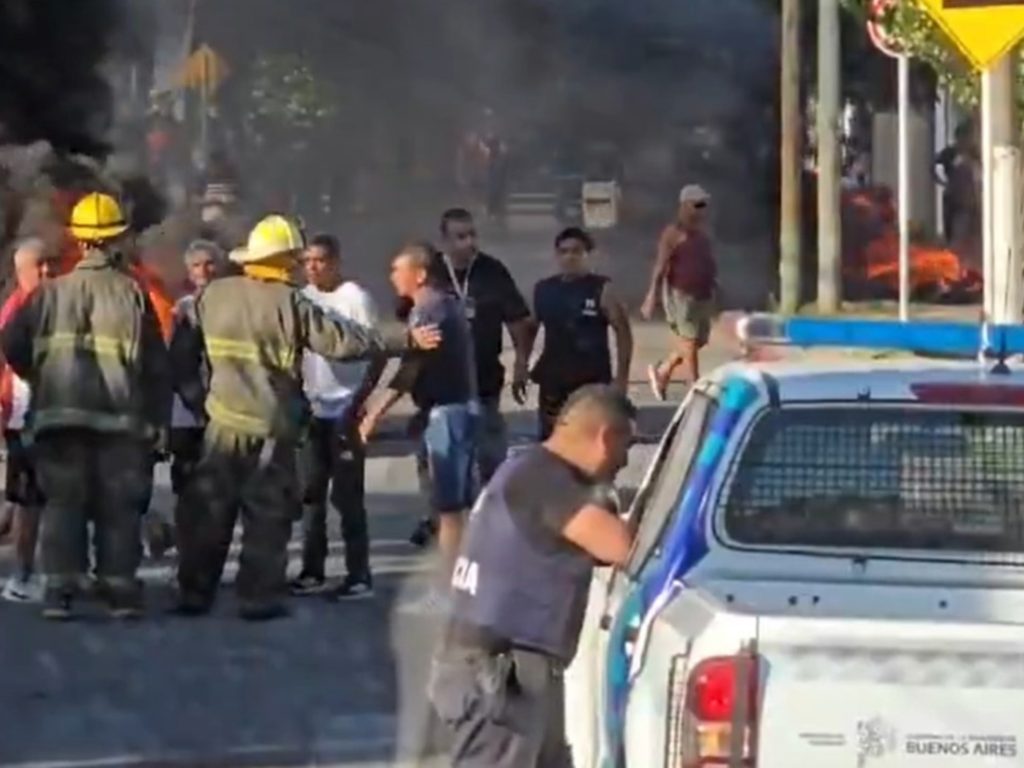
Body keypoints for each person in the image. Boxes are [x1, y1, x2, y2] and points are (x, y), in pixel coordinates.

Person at [170, 215, 441, 621]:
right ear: (285, 261)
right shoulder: (289, 302)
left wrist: (197, 402)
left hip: (222, 425)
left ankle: (195, 593)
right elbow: (343, 341)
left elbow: (181, 358)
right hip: (270, 429)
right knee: (266, 515)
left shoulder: (213, 296)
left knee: (208, 511)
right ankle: (258, 599)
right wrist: (404, 337)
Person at [429, 384, 635, 767]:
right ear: (606, 439)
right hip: (499, 678)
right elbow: (624, 548)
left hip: (509, 674)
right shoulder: (546, 478)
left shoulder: (530, 471)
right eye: (626, 448)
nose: (623, 462)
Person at [0, 192, 172, 620]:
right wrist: (157, 422)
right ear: (116, 240)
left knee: (62, 505)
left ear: (79, 239)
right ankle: (120, 594)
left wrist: (43, 378)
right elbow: (155, 366)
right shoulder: (133, 294)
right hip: (119, 423)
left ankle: (60, 592)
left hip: (59, 419)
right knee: (118, 508)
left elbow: (13, 345)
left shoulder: (48, 294)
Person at [361, 242, 477, 615]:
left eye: (399, 269)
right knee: (450, 508)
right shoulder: (439, 305)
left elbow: (409, 369)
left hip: (448, 414)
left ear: (420, 273)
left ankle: (451, 592)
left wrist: (373, 413)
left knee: (450, 509)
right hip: (447, 412)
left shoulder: (431, 310)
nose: (393, 276)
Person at [404, 209, 531, 548]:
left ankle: (493, 523)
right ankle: (436, 518)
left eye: (473, 234)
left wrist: (521, 361)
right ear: (444, 240)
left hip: (484, 383)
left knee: (490, 455)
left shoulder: (492, 272)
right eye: (460, 236)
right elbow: (410, 324)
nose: (469, 242)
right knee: (433, 458)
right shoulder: (431, 275)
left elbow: (519, 320)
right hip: (437, 390)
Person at [290, 233, 385, 600]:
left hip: (345, 408)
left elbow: (376, 353)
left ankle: (358, 575)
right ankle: (312, 571)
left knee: (348, 498)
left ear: (336, 262)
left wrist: (361, 399)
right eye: (307, 261)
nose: (313, 268)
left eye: (320, 261)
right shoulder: (302, 299)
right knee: (311, 495)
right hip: (312, 410)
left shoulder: (355, 299)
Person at [526, 227, 633, 440]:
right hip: (554, 382)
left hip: (591, 383)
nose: (570, 257)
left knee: (590, 443)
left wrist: (621, 379)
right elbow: (530, 329)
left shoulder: (601, 289)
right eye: (564, 251)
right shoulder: (544, 289)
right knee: (552, 442)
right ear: (556, 255)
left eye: (576, 251)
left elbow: (623, 333)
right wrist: (521, 364)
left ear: (588, 255)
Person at [158, 240, 227, 561]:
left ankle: (208, 556)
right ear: (188, 272)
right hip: (186, 415)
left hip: (223, 410)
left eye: (209, 263)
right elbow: (178, 363)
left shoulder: (233, 304)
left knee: (217, 490)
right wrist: (196, 404)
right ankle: (187, 557)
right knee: (186, 488)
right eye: (197, 265)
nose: (204, 270)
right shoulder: (183, 309)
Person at [0, 238, 53, 603]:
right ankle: (21, 576)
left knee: (30, 500)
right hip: (23, 416)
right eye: (42, 265)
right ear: (24, 270)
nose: (49, 271)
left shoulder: (36, 304)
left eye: (50, 264)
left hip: (35, 414)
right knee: (29, 501)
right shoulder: (19, 309)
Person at [641, 184, 717, 401]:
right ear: (684, 206)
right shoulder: (672, 233)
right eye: (697, 205)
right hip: (680, 294)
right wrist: (651, 296)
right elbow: (660, 266)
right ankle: (696, 387)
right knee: (690, 342)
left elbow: (708, 261)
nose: (702, 210)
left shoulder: (703, 233)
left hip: (702, 293)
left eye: (704, 205)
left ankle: (663, 371)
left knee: (697, 341)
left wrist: (715, 287)